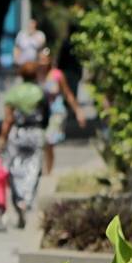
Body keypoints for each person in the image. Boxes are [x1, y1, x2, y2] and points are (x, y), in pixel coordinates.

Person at [0, 61, 51, 229]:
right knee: (33, 168)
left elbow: (8, 119)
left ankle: (18, 198)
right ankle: (26, 200)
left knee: (14, 167)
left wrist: (2, 138)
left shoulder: (13, 93)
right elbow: (46, 116)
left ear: (21, 74)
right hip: (35, 132)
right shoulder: (41, 92)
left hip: (18, 133)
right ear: (35, 74)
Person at [37, 47, 86, 175]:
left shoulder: (57, 75)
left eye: (45, 60)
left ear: (50, 60)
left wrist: (78, 111)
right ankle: (39, 167)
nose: (43, 62)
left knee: (48, 140)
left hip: (56, 112)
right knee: (39, 140)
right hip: (40, 112)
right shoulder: (36, 75)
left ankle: (48, 170)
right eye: (41, 60)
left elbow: (68, 94)